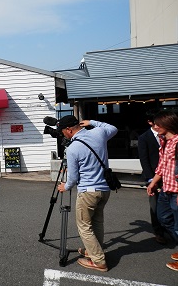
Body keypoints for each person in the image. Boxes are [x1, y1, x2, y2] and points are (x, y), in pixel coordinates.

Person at [57, 115, 118, 272]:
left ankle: (98, 261)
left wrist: (66, 186)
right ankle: (95, 251)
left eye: (63, 132)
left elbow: (73, 177)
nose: (63, 135)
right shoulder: (98, 133)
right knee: (97, 222)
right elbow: (113, 129)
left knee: (84, 226)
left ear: (69, 130)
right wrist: (92, 122)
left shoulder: (72, 149)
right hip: (104, 189)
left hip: (88, 192)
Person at [146, 110, 178, 272]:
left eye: (158, 124)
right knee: (163, 218)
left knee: (177, 224)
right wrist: (153, 183)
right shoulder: (165, 141)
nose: (155, 126)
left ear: (168, 124)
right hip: (167, 188)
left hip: (177, 191)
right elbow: (163, 166)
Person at [138, 111, 167, 244]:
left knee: (170, 204)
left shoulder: (168, 135)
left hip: (168, 175)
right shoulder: (144, 138)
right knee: (154, 206)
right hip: (152, 176)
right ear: (150, 122)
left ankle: (169, 228)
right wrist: (151, 179)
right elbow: (144, 160)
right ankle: (158, 232)